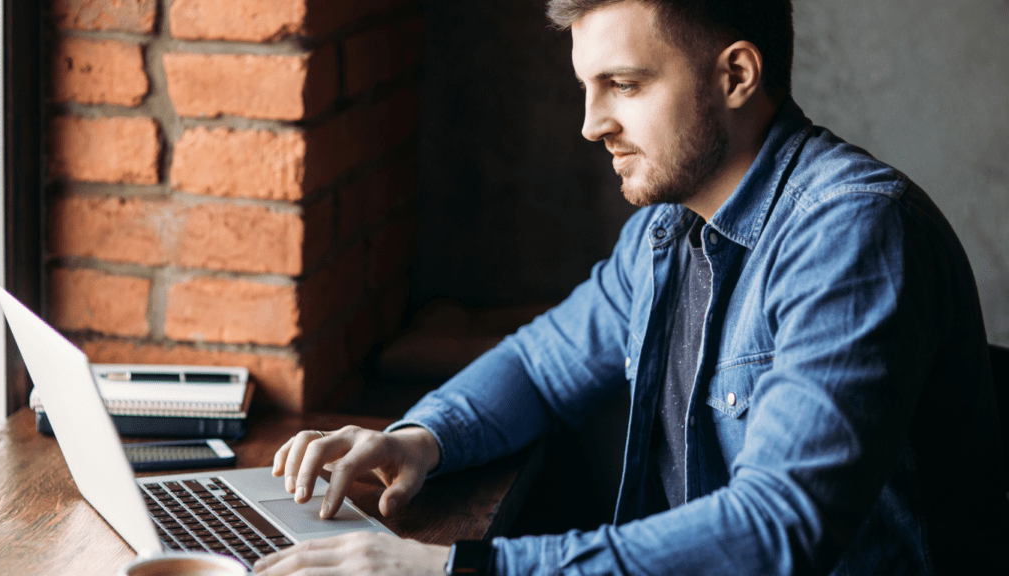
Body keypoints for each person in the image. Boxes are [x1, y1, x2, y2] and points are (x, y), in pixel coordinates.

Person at [253, 0, 1009, 574]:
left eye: (623, 84)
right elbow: (541, 365)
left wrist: (457, 566)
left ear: (736, 76)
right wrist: (421, 438)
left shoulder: (850, 232)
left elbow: (782, 525)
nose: (590, 124)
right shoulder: (665, 232)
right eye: (588, 87)